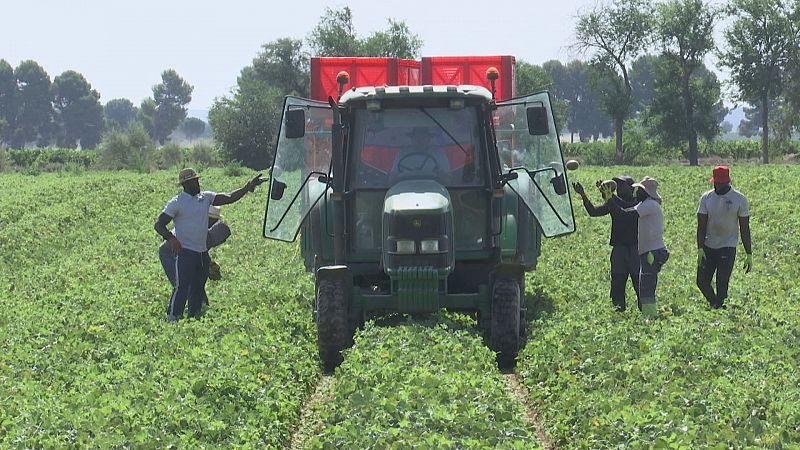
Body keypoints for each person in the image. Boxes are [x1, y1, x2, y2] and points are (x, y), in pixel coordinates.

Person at [154, 168, 266, 321]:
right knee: (181, 287)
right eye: (195, 181)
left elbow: (229, 197)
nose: (198, 183)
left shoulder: (205, 197)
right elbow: (159, 224)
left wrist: (247, 187)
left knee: (198, 288)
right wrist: (171, 238)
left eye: (198, 180)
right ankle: (173, 318)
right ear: (186, 184)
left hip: (201, 253)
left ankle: (194, 317)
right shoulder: (177, 203)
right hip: (185, 253)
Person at [572, 175, 641, 311]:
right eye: (618, 186)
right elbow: (593, 212)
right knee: (617, 283)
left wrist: (609, 197)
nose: (619, 189)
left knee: (639, 283)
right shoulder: (613, 203)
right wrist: (583, 195)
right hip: (619, 250)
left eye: (622, 186)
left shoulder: (638, 203)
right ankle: (618, 311)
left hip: (635, 249)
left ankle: (645, 312)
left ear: (631, 188)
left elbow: (623, 210)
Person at [607, 176, 669, 317]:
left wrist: (610, 199)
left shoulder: (649, 205)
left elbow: (624, 215)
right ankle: (648, 315)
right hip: (649, 252)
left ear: (646, 192)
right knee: (645, 286)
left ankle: (650, 317)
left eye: (639, 190)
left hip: (651, 253)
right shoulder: (646, 204)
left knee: (646, 288)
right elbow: (625, 208)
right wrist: (611, 197)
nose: (636, 192)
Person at [696, 166, 752, 309]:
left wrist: (748, 253)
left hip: (728, 246)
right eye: (717, 183)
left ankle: (720, 307)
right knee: (701, 281)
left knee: (722, 281)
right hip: (709, 245)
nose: (719, 186)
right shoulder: (706, 198)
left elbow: (744, 228)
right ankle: (715, 303)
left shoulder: (739, 199)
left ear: (728, 181)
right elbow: (701, 226)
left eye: (722, 183)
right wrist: (700, 248)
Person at [159, 204, 231, 293]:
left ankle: (201, 304)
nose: (223, 241)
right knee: (182, 286)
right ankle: (178, 306)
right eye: (213, 220)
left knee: (194, 284)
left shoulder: (203, 229)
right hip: (169, 253)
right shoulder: (200, 233)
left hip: (179, 252)